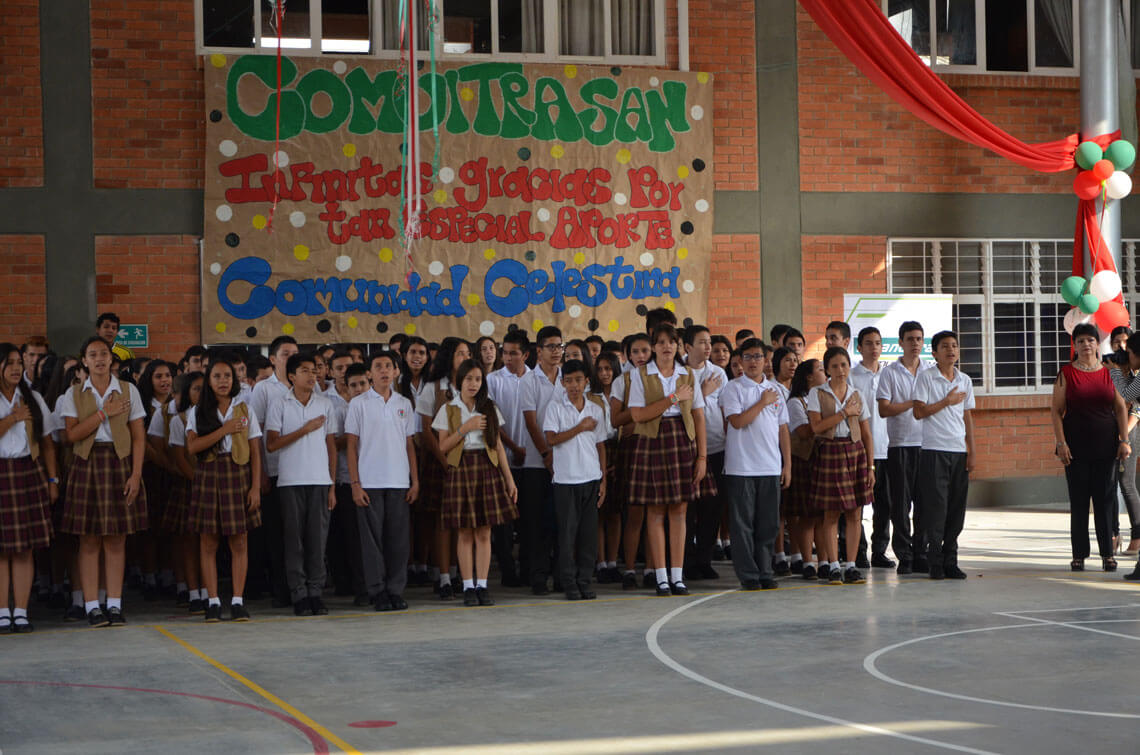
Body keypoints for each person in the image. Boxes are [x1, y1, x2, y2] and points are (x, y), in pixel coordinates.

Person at [59, 336, 148, 627]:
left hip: (120, 461)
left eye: (104, 354)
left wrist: (136, 474)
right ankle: (91, 606)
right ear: (84, 361)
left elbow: (138, 437)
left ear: (112, 359)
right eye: (93, 354)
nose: (99, 359)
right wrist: (103, 413)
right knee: (88, 539)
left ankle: (114, 604)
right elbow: (71, 435)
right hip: (86, 463)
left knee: (116, 538)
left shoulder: (128, 390)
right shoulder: (74, 393)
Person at [627, 324, 710, 597]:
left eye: (671, 342)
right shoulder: (641, 374)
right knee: (655, 511)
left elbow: (698, 416)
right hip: (652, 441)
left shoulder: (687, 374)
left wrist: (702, 456)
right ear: (653, 347)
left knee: (680, 511)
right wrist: (673, 398)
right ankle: (661, 577)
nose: (666, 347)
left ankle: (677, 575)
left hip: (682, 440)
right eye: (661, 342)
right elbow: (638, 415)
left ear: (678, 346)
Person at [432, 360, 518, 607]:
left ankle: (482, 584)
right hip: (461, 468)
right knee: (464, 532)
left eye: (478, 379)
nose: (473, 384)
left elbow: (497, 446)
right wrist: (465, 428)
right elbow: (442, 446)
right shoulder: (448, 409)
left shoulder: (489, 407)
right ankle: (468, 586)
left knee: (484, 532)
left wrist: (509, 479)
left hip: (486, 468)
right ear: (459, 381)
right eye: (468, 378)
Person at [185, 359, 262, 622]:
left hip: (238, 473)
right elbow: (193, 447)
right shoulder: (198, 411)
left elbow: (255, 451)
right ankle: (213, 601)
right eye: (217, 376)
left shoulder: (245, 409)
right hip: (208, 473)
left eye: (227, 376)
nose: (223, 381)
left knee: (239, 540)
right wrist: (224, 430)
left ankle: (238, 600)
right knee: (208, 541)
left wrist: (255, 487)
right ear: (209, 380)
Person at [1051, 323, 1130, 573]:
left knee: (1105, 501)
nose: (1086, 344)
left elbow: (1120, 408)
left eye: (1090, 340)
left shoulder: (1111, 372)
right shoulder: (1066, 373)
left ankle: (1108, 554)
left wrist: (1124, 440)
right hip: (1075, 448)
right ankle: (1079, 555)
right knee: (1079, 502)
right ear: (1075, 345)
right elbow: (1056, 411)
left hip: (1107, 447)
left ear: (1098, 344)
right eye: (1081, 341)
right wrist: (1061, 443)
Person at [265, 353, 338, 616]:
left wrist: (332, 485)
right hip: (290, 481)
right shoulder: (279, 404)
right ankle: (298, 593)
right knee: (293, 540)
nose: (312, 375)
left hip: (319, 480)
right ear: (292, 376)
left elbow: (331, 447)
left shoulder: (325, 404)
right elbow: (271, 444)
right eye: (305, 370)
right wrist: (304, 430)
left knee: (317, 541)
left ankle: (315, 592)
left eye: (314, 371)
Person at [346, 352, 418, 612]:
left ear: (396, 371)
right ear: (369, 373)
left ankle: (395, 590)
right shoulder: (359, 404)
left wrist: (415, 480)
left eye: (389, 366)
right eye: (378, 366)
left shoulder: (404, 403)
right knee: (372, 541)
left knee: (398, 541)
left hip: (398, 481)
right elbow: (351, 446)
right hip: (370, 481)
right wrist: (355, 483)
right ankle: (376, 590)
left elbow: (409, 445)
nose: (384, 371)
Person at [720, 338, 790, 591]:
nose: (753, 362)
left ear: (765, 360)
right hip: (741, 468)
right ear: (740, 360)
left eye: (757, 356)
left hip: (770, 466)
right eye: (747, 357)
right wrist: (762, 402)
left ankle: (765, 571)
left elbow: (783, 429)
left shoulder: (775, 390)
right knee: (742, 525)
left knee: (768, 524)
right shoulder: (733, 388)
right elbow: (737, 422)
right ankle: (748, 574)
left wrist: (787, 465)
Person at [0, 343, 59, 633]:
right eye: (8, 362)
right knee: (1, 550)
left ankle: (21, 611)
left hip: (28, 470)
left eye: (18, 363)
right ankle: (2, 611)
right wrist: (12, 418)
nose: (15, 368)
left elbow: (47, 443)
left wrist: (52, 480)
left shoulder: (32, 397)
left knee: (24, 548)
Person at [806, 347, 872, 585]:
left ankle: (851, 565)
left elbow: (866, 433)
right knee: (831, 512)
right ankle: (834, 565)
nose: (840, 370)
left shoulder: (857, 393)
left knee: (855, 513)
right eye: (834, 366)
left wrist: (871, 467)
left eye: (844, 365)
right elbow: (816, 427)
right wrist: (844, 413)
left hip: (855, 452)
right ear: (827, 369)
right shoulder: (817, 393)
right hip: (830, 450)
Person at [913, 331, 976, 580]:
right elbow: (918, 412)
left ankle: (951, 560)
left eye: (954, 346)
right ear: (935, 353)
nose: (951, 350)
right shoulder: (926, 378)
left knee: (956, 510)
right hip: (934, 451)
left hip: (958, 452)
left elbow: (967, 417)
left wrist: (972, 451)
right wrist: (946, 401)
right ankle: (935, 561)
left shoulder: (965, 380)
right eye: (945, 346)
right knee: (936, 508)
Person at [543, 360, 608, 601]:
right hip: (566, 480)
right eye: (569, 381)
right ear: (562, 383)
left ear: (587, 381)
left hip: (591, 477)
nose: (574, 386)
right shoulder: (555, 408)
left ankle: (585, 580)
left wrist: (603, 479)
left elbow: (601, 446)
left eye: (578, 380)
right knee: (567, 535)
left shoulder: (595, 409)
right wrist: (579, 428)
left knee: (588, 535)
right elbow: (551, 439)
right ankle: (568, 582)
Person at [416, 337, 472, 598]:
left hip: (468, 460)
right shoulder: (433, 387)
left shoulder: (473, 384)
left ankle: (459, 571)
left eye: (468, 353)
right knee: (442, 520)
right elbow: (426, 430)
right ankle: (444, 577)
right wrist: (443, 460)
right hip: (441, 461)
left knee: (462, 520)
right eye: (461, 353)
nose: (465, 357)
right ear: (449, 357)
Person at [247, 335, 298, 604]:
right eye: (285, 354)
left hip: (301, 472)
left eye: (294, 353)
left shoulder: (308, 385)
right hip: (274, 470)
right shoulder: (264, 389)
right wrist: (262, 474)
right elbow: (255, 434)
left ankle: (299, 586)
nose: (291, 358)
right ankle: (281, 589)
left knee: (297, 534)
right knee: (276, 534)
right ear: (273, 359)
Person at [877, 321, 930, 574]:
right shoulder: (890, 373)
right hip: (899, 445)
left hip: (927, 444)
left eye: (919, 339)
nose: (915, 343)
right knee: (900, 504)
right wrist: (913, 403)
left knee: (925, 503)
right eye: (910, 339)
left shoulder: (930, 370)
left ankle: (921, 553)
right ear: (900, 342)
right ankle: (904, 555)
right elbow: (884, 409)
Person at [519, 326, 567, 595]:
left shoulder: (567, 378)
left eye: (560, 346)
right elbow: (531, 422)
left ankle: (561, 576)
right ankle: (538, 577)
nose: (556, 351)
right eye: (551, 346)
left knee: (562, 522)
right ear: (538, 351)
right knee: (538, 524)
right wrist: (547, 455)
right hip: (537, 464)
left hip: (566, 463)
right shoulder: (529, 380)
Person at [155, 371, 205, 614]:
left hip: (212, 484)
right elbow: (179, 457)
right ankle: (192, 591)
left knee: (208, 541)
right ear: (185, 393)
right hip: (189, 484)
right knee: (188, 540)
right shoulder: (180, 420)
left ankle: (208, 590)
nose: (202, 394)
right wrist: (196, 480)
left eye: (204, 389)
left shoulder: (216, 417)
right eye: (196, 389)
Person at [682, 325, 729, 580]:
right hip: (687, 448)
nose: (708, 347)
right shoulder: (679, 372)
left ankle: (704, 559)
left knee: (713, 508)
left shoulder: (718, 372)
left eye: (709, 342)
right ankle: (686, 561)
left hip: (716, 446)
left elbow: (724, 409)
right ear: (687, 347)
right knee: (688, 508)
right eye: (702, 342)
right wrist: (703, 392)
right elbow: (679, 405)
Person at [485, 330, 531, 587]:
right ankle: (507, 570)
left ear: (526, 354)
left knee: (529, 520)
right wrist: (514, 447)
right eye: (505, 352)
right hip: (502, 461)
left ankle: (527, 568)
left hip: (532, 461)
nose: (508, 357)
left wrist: (529, 451)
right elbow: (492, 421)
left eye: (514, 353)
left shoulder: (535, 379)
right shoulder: (492, 380)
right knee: (503, 521)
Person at [849, 327, 895, 568]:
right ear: (859, 347)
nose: (874, 347)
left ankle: (879, 551)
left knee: (884, 504)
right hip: (860, 449)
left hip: (886, 447)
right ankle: (858, 551)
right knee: (856, 505)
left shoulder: (888, 374)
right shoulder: (852, 376)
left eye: (878, 343)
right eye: (868, 343)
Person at [612, 332, 655, 589]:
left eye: (645, 351)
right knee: (635, 513)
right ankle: (629, 569)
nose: (640, 356)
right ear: (628, 355)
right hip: (633, 447)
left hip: (657, 446)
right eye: (635, 352)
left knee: (655, 513)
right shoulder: (623, 380)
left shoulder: (661, 378)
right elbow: (615, 419)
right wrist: (637, 413)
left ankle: (651, 568)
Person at [787, 359, 826, 578]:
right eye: (820, 370)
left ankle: (825, 560)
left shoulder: (824, 398)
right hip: (804, 461)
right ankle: (807, 561)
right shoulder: (796, 402)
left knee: (822, 516)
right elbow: (803, 432)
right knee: (807, 515)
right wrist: (825, 422)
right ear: (809, 377)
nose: (825, 373)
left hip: (821, 460)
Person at [591, 350, 623, 583]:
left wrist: (618, 460)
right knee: (599, 512)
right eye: (600, 369)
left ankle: (613, 562)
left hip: (619, 449)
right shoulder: (590, 396)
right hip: (596, 451)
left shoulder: (624, 393)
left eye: (608, 369)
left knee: (616, 512)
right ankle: (600, 562)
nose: (604, 373)